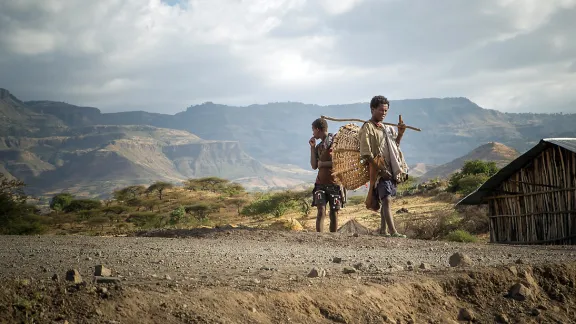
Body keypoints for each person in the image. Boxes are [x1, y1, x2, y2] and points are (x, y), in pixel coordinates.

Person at [359, 95, 409, 238]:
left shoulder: (387, 129)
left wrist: (400, 134)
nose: (384, 113)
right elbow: (367, 153)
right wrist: (381, 170)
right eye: (381, 110)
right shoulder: (368, 128)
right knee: (386, 199)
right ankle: (393, 232)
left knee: (386, 198)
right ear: (372, 109)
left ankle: (383, 230)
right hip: (378, 170)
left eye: (386, 111)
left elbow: (395, 146)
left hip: (390, 168)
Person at [309, 118, 345, 232]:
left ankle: (332, 238)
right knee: (321, 211)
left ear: (318, 129)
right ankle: (319, 238)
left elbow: (341, 162)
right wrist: (312, 147)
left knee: (334, 213)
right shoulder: (319, 147)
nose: (313, 133)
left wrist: (323, 164)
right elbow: (314, 165)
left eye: (313, 130)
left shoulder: (336, 143)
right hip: (320, 184)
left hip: (334, 184)